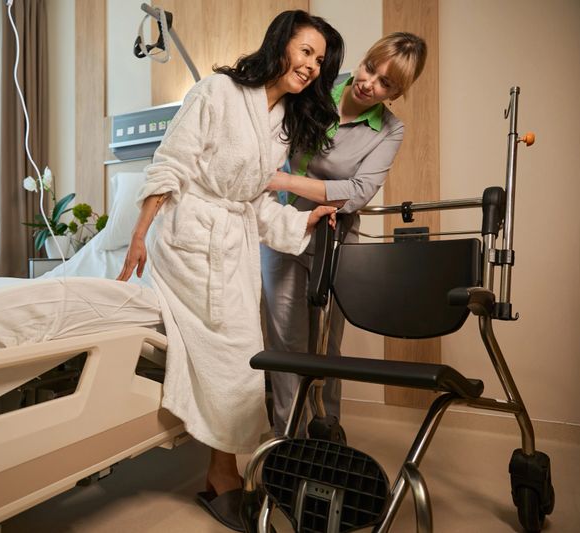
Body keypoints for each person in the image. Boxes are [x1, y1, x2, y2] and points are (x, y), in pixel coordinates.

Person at [116, 10, 343, 531]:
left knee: (246, 358)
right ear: (281, 44)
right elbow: (170, 162)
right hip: (189, 239)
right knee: (236, 356)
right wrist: (137, 235)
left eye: (320, 61)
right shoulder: (216, 92)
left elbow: (256, 204)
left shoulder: (281, 125)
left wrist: (302, 219)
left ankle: (226, 473)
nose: (311, 66)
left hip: (233, 247)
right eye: (305, 51)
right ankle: (225, 477)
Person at [262, 32, 428, 438]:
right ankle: (289, 443)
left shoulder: (390, 130)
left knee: (325, 350)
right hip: (283, 230)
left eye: (386, 83)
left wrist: (283, 179)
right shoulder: (317, 85)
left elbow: (357, 193)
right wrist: (294, 187)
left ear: (398, 91)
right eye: (371, 68)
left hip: (334, 243)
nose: (369, 83)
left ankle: (325, 434)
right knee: (286, 346)